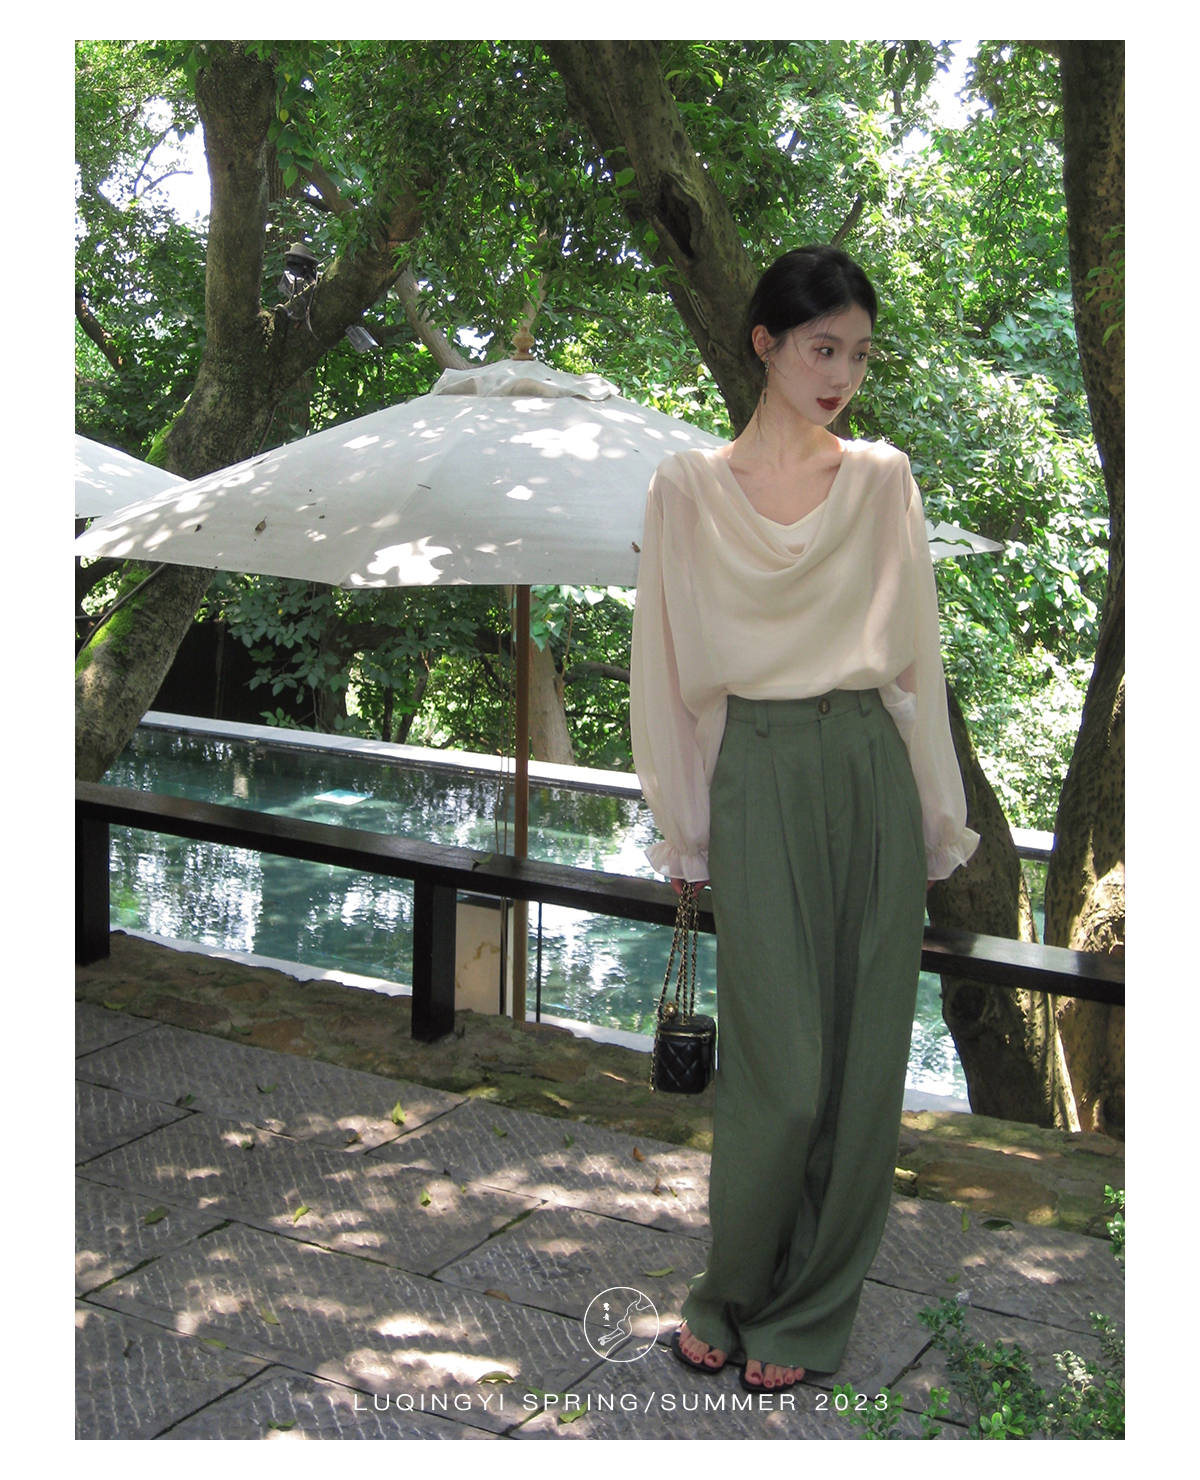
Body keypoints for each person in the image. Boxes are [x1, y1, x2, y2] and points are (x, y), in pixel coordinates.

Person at [630, 245, 979, 1393]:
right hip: (759, 770)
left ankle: (812, 1309)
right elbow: (664, 668)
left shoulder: (882, 480)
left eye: (859, 355)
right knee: (779, 1072)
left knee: (861, 1065)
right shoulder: (685, 488)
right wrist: (684, 829)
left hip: (868, 765)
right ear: (766, 344)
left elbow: (916, 663)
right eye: (823, 347)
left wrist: (934, 813)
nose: (841, 375)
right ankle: (728, 1291)